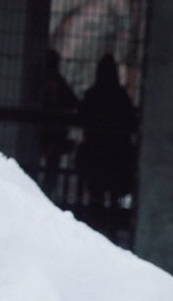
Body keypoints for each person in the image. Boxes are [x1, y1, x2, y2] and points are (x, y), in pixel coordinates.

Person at [75, 54, 138, 234]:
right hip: (117, 157)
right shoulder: (121, 97)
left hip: (95, 155)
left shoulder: (92, 95)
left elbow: (82, 119)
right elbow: (131, 123)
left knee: (96, 198)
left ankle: (93, 231)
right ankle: (111, 232)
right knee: (114, 199)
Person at [39, 48, 79, 196]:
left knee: (46, 167)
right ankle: (47, 193)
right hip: (55, 132)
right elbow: (74, 103)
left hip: (46, 131)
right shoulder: (58, 83)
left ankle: (45, 193)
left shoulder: (41, 83)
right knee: (51, 169)